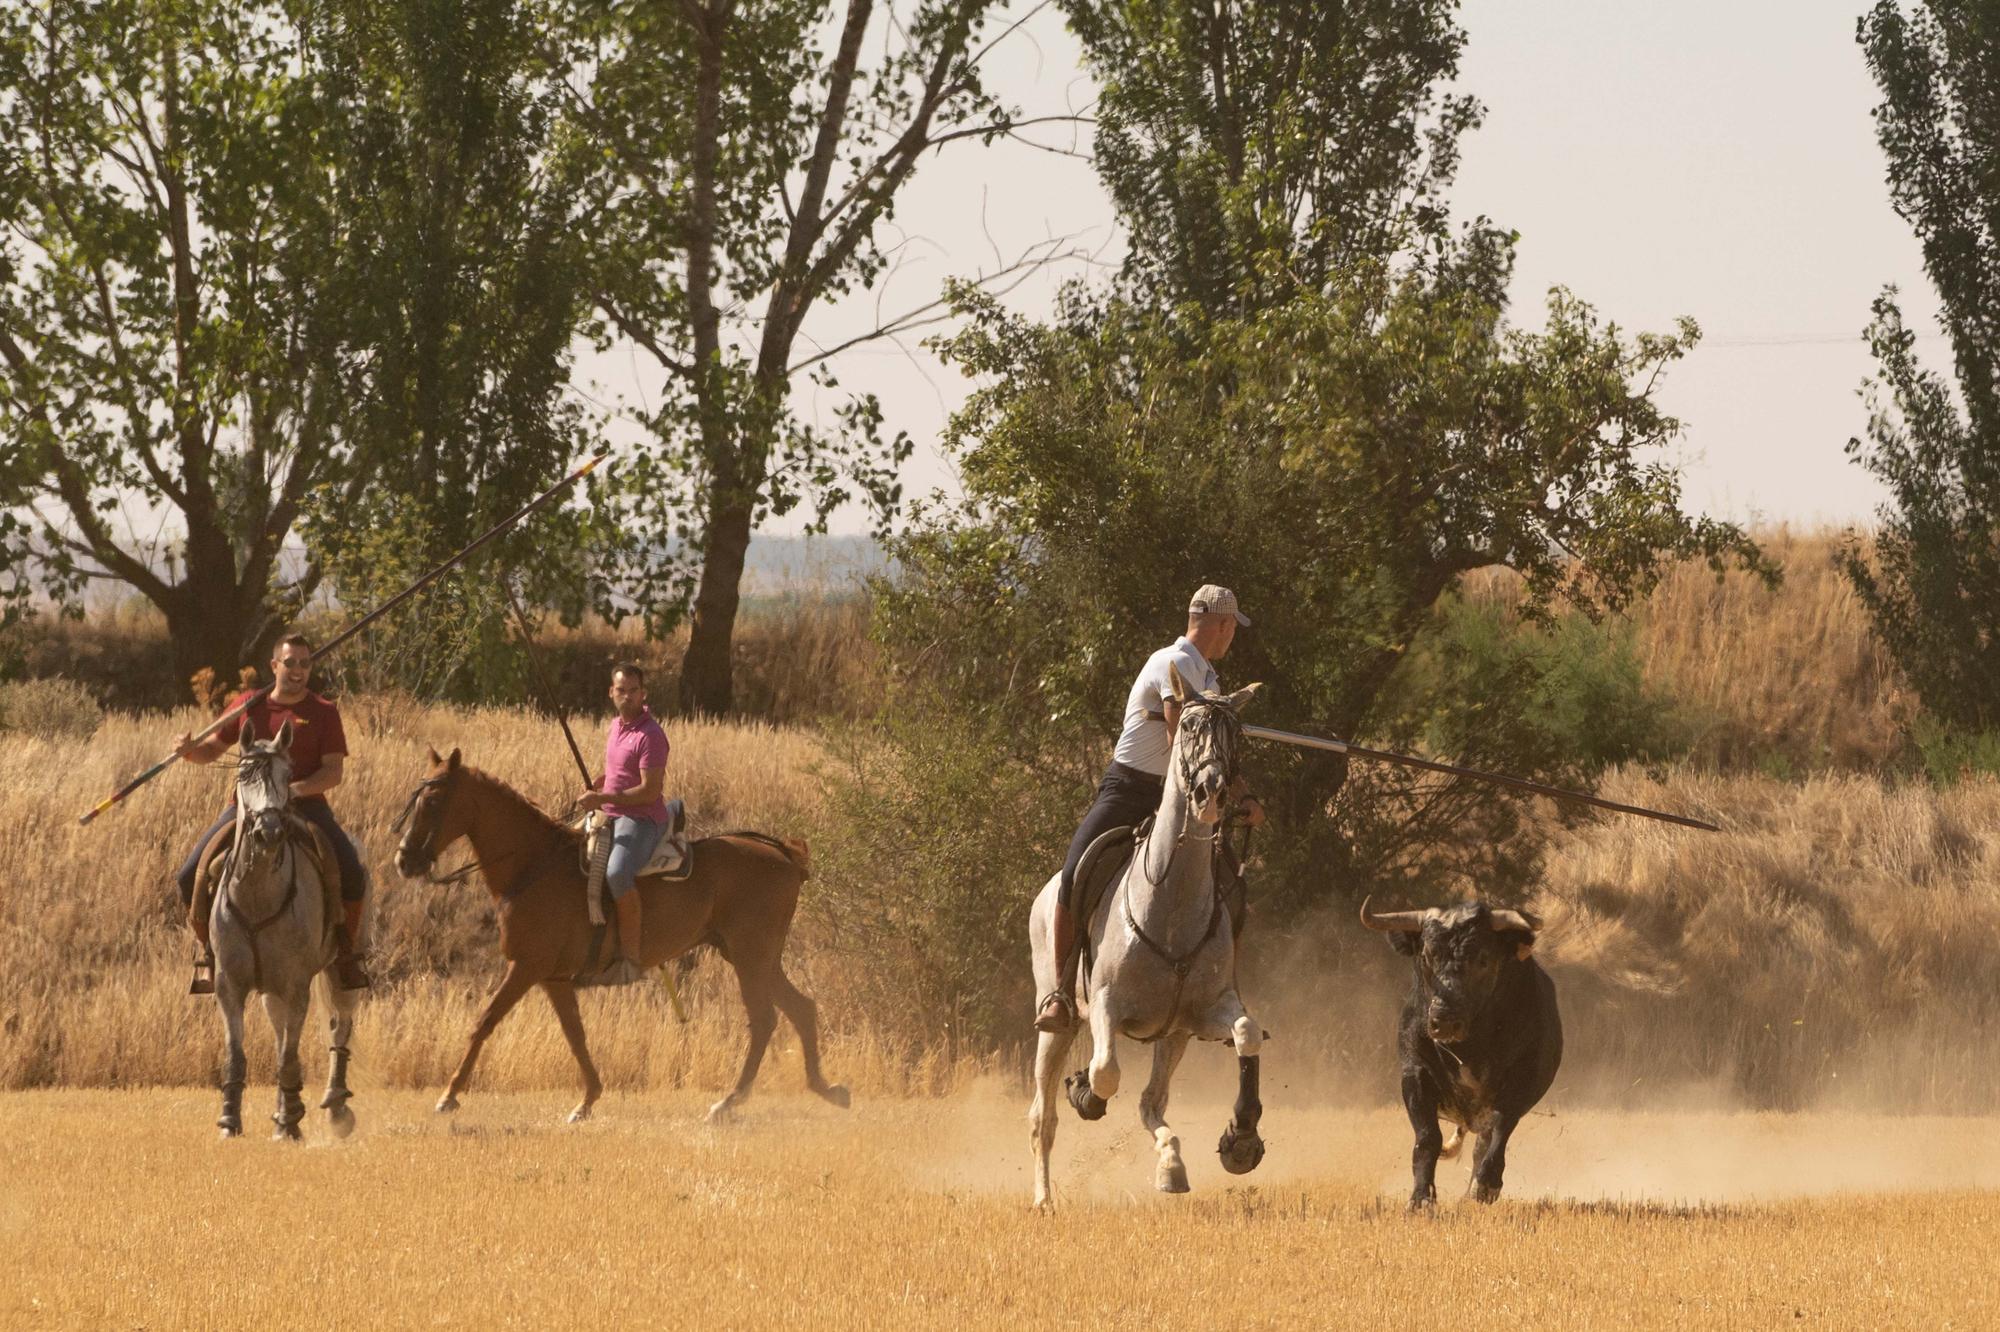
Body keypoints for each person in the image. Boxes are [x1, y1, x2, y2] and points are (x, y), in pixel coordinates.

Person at [1035, 584, 1265, 1034]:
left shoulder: (1211, 682)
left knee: (1231, 885)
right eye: (1232, 628)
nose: (1232, 636)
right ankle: (1060, 993)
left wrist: (1244, 797)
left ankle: (1222, 990)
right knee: (1073, 872)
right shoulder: (1173, 663)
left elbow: (1211, 754)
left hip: (1178, 799)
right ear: (1221, 625)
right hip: (1129, 791)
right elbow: (1183, 741)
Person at [172, 633, 370, 994]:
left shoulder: (324, 712)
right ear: (274, 665)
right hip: (245, 808)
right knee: (188, 876)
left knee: (352, 871)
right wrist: (188, 750)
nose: (297, 671)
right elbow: (212, 751)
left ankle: (346, 955)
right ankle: (207, 953)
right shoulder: (249, 703)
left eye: (305, 664)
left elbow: (333, 772)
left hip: (306, 807)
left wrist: (292, 790)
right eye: (290, 662)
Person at [576, 662, 670, 986]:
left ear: (643, 694)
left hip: (641, 819)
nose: (627, 697)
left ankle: (631, 961)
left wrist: (602, 799)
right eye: (621, 690)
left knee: (617, 872)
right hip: (612, 812)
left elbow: (649, 790)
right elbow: (617, 775)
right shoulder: (616, 726)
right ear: (611, 693)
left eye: (633, 691)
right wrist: (599, 785)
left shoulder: (651, 735)